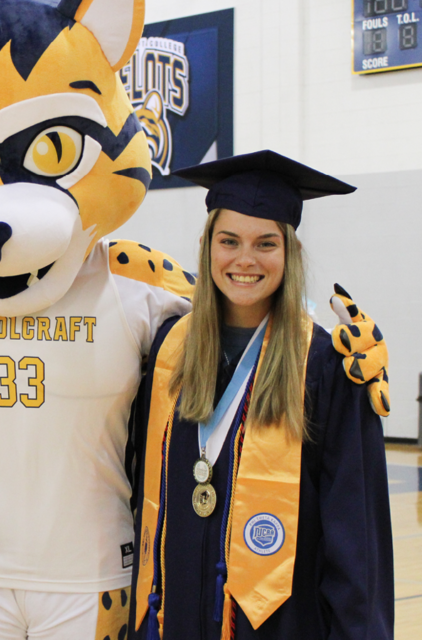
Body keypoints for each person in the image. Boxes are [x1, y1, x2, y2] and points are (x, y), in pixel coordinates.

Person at [131, 151, 394, 639]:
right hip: (174, 617)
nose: (245, 259)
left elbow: (358, 544)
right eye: (229, 241)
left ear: (290, 253)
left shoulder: (327, 366)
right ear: (209, 247)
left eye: (265, 243)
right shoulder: (170, 350)